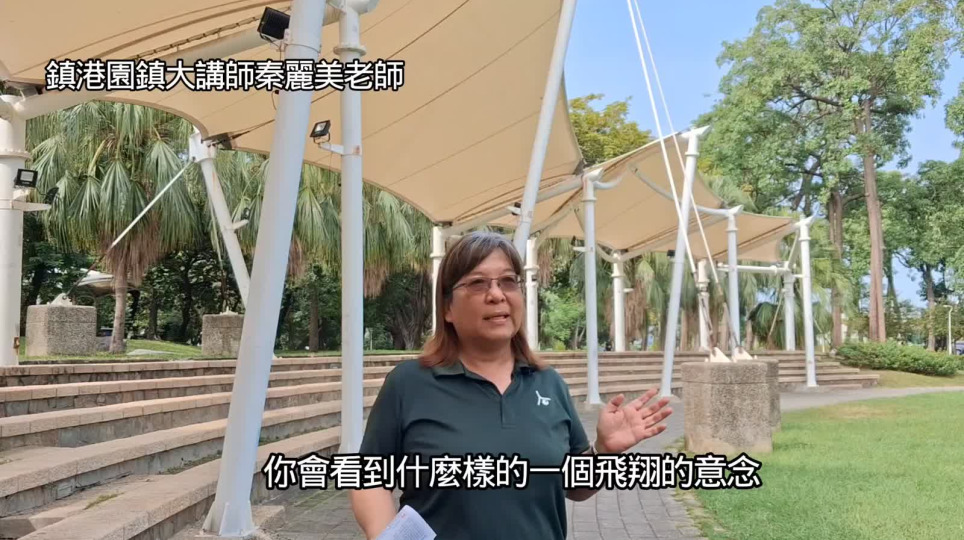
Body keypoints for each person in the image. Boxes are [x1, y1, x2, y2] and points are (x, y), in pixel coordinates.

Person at [348, 231, 673, 540]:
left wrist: (603, 451)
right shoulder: (410, 384)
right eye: (477, 283)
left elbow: (574, 487)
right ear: (447, 308)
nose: (496, 294)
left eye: (508, 281)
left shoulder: (549, 384)